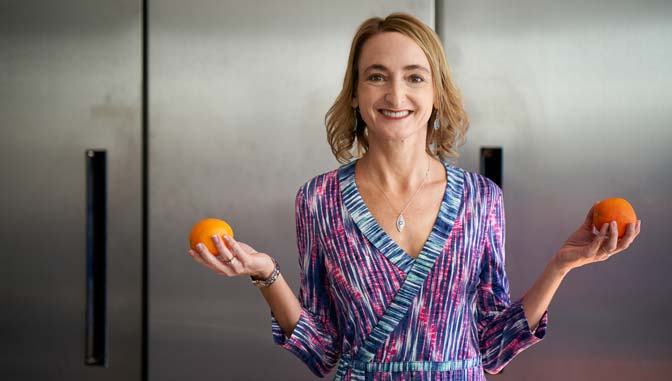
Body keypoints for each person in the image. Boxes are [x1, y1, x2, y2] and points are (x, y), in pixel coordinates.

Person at [188, 12, 641, 381]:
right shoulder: (318, 200)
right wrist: (266, 274)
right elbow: (323, 353)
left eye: (415, 77)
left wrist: (561, 264)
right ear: (355, 95)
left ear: (437, 93)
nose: (395, 94)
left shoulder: (482, 199)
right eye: (377, 76)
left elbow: (491, 348)